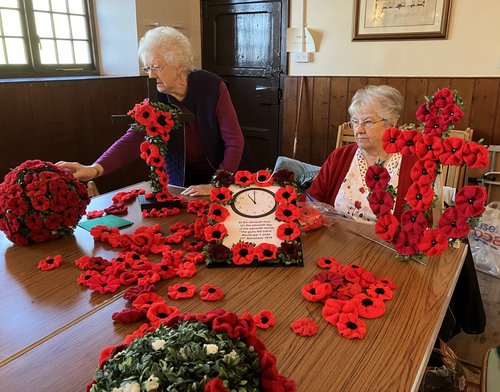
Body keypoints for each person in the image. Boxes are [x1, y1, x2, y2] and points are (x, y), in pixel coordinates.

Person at [57, 26, 254, 196]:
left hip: (227, 172)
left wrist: (217, 185)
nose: (151, 75)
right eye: (147, 68)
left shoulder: (211, 87)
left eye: (157, 67)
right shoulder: (155, 98)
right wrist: (94, 169)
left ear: (179, 65)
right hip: (182, 177)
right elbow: (133, 138)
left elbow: (234, 141)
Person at [305, 84, 417, 223]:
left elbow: (420, 221)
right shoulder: (340, 156)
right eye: (355, 122)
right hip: (336, 239)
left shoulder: (412, 163)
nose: (359, 129)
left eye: (368, 122)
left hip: (387, 244)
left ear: (391, 124)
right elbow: (312, 201)